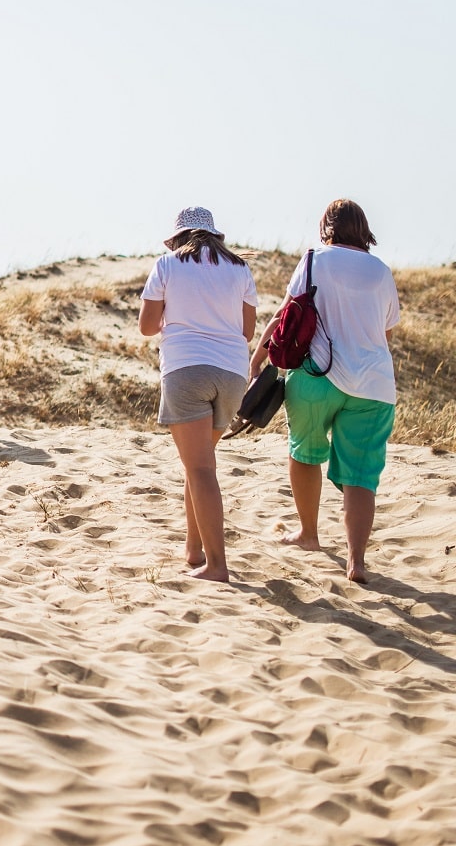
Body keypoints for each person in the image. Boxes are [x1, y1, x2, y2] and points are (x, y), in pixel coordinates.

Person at [249, 198, 399, 583]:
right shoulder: (381, 271)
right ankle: (356, 562)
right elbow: (385, 333)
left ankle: (309, 535)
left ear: (326, 226)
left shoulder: (315, 259)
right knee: (361, 475)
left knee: (305, 451)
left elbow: (287, 314)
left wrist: (258, 357)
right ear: (363, 229)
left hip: (318, 376)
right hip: (373, 386)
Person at [138, 207, 257, 583]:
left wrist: (177, 314)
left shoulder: (167, 265)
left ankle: (217, 565)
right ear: (214, 236)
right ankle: (194, 549)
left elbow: (146, 327)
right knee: (201, 464)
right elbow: (247, 331)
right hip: (233, 374)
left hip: (188, 368)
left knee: (200, 469)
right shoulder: (240, 269)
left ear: (177, 237)